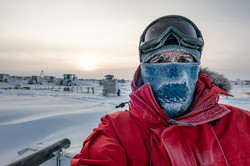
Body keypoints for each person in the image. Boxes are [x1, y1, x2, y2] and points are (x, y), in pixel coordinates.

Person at [70, 15, 250, 166]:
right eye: (160, 61)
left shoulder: (243, 125)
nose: (173, 72)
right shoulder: (116, 130)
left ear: (196, 68)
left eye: (183, 60)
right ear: (144, 69)